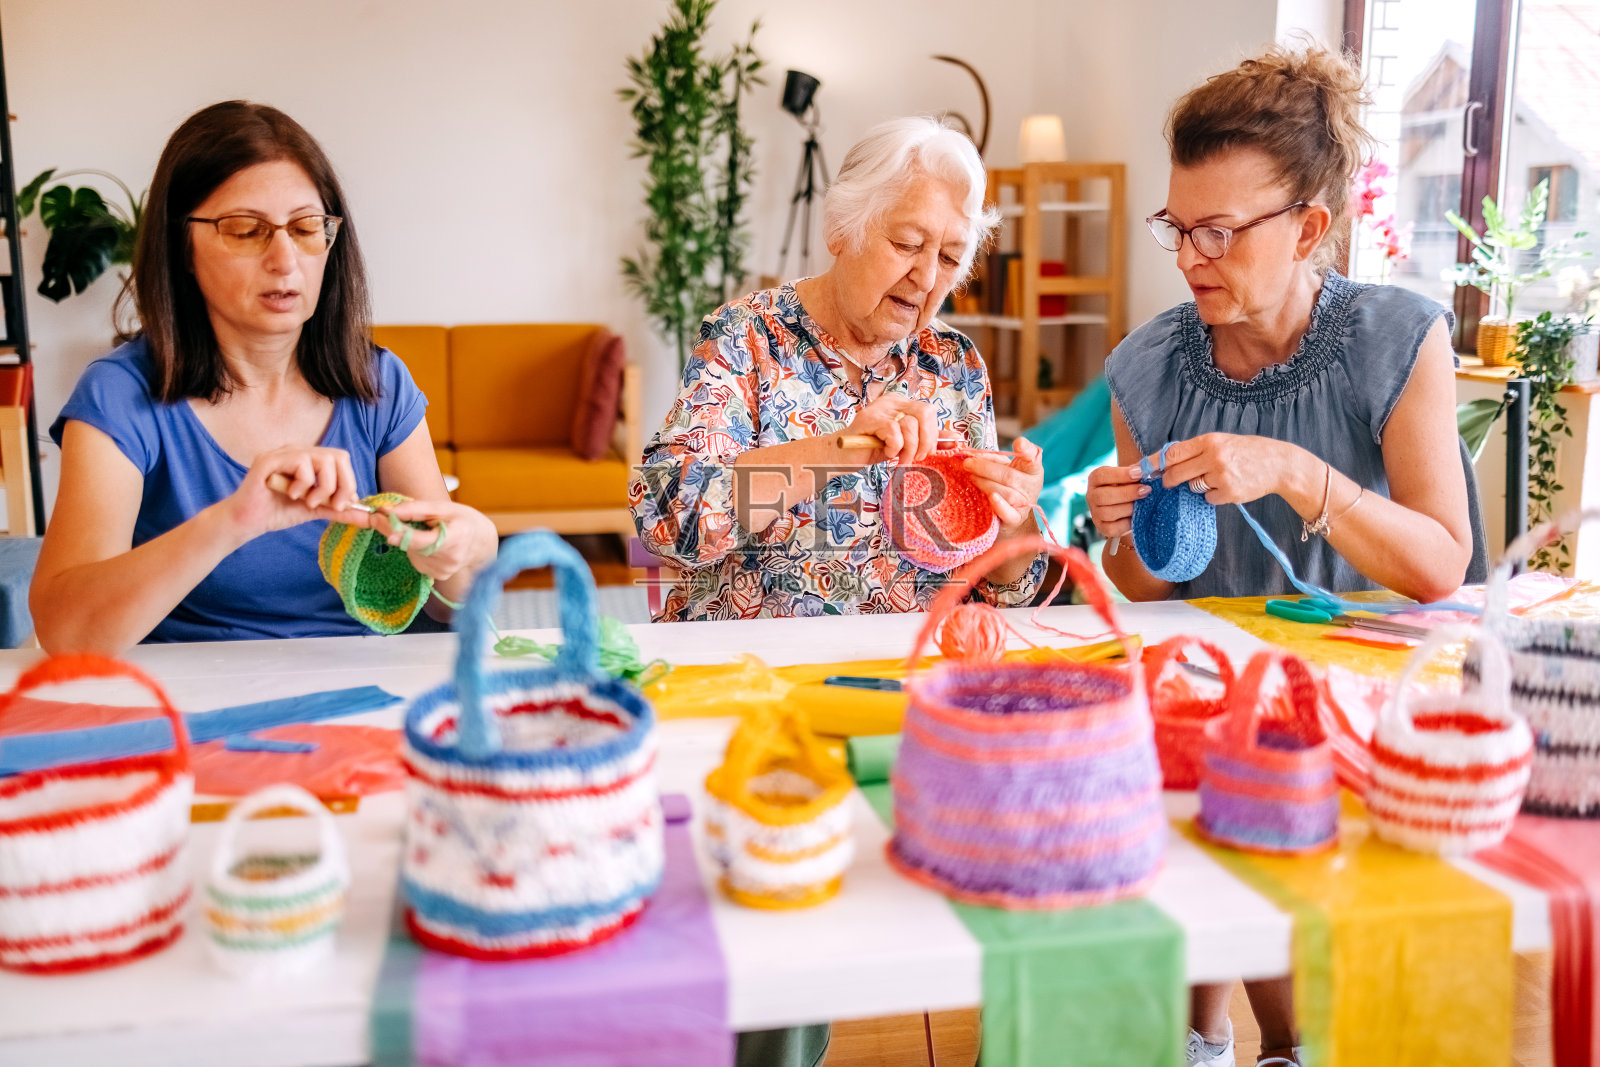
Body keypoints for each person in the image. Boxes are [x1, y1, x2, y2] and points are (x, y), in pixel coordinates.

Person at [1085, 45, 1486, 1067]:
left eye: (1220, 231)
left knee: (1301, 920)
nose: (1191, 257)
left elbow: (1442, 563)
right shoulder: (1146, 365)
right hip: (1215, 715)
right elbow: (1147, 590)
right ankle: (1210, 1032)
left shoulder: (1398, 340)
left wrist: (1296, 473)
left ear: (1309, 228)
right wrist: (1122, 528)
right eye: (1179, 227)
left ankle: (1269, 1038)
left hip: (1362, 705)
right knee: (1217, 796)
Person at [31, 101, 498, 652]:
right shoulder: (119, 395)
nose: (285, 260)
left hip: (360, 682)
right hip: (194, 688)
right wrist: (233, 521)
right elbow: (66, 632)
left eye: (305, 228)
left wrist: (471, 549)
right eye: (246, 230)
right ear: (182, 245)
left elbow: (445, 604)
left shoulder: (378, 382)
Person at [629, 115, 1046, 624]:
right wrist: (842, 447)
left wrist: (1012, 519)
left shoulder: (953, 362)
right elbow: (669, 520)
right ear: (840, 230)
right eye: (907, 244)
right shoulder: (746, 336)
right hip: (759, 661)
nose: (926, 277)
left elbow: (1006, 594)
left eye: (949, 258)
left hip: (909, 659)